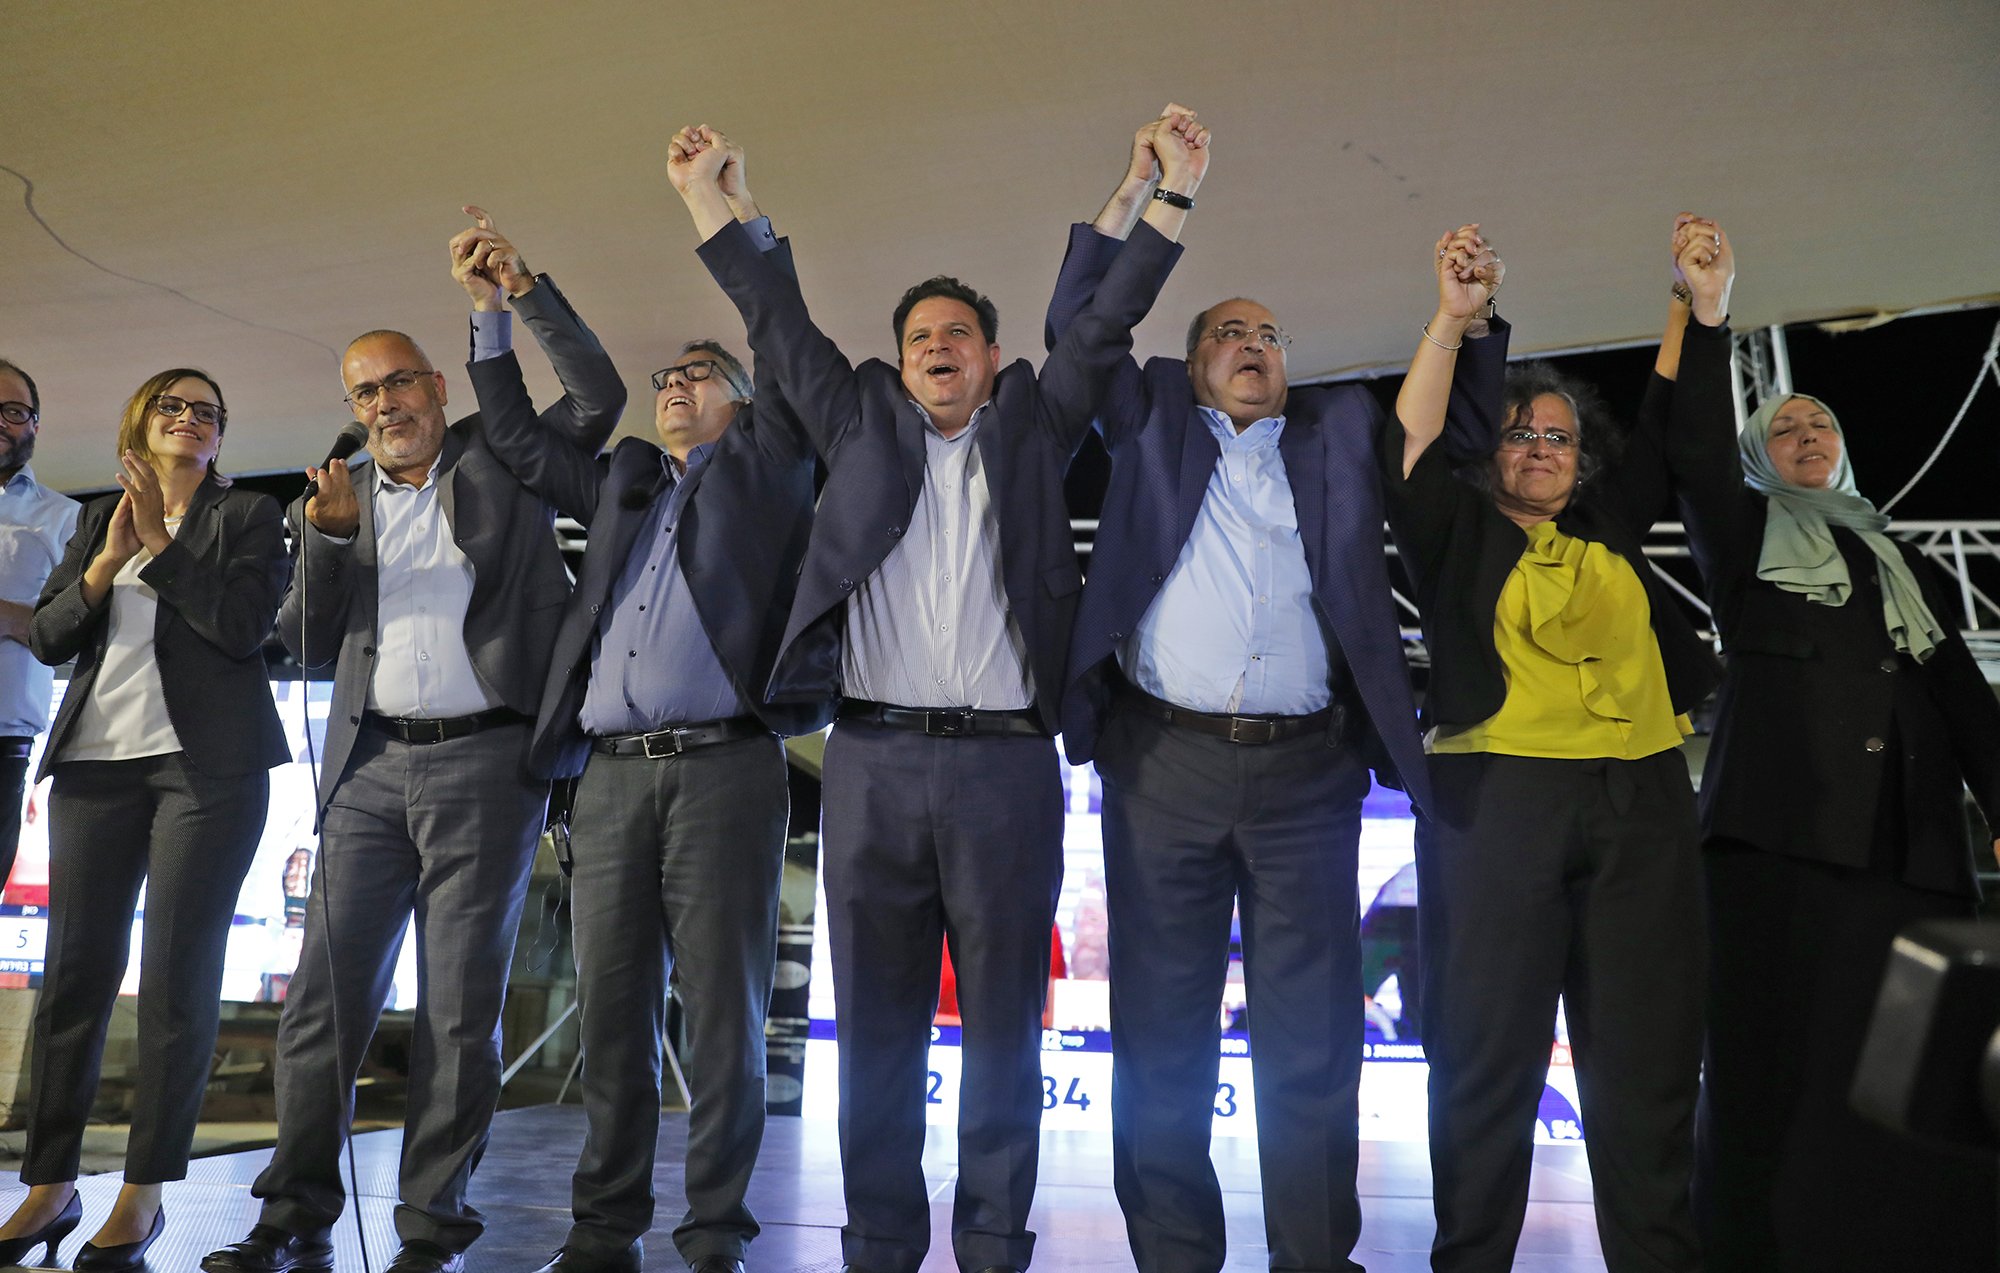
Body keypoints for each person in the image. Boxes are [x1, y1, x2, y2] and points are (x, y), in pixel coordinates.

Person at [684, 108, 1192, 1273]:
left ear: (993, 361)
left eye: (958, 332)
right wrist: (719, 203)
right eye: (918, 333)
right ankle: (876, 1244)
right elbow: (776, 318)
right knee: (873, 1029)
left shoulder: (1032, 427)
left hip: (1007, 765)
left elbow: (1105, 320)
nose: (935, 345)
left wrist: (1159, 198)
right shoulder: (857, 419)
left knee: (1007, 1024)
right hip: (869, 762)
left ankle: (994, 1242)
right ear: (899, 354)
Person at [1046, 113, 1505, 1273]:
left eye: (1271, 335)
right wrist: (1151, 196)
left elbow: (1439, 428)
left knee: (1312, 1041)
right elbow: (1076, 331)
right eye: (1230, 332)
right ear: (1195, 358)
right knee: (1162, 1033)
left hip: (1307, 773)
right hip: (1165, 764)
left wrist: (1455, 322)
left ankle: (1314, 1257)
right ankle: (1174, 1258)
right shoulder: (1148, 418)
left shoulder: (1335, 432)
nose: (1255, 345)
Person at [201, 211, 623, 1273]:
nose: (383, 405)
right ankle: (291, 1212)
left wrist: (509, 300)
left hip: (488, 761)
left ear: (440, 387)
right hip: (368, 771)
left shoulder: (504, 456)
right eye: (364, 392)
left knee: (459, 1014)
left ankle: (431, 1225)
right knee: (319, 1014)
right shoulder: (333, 498)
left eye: (399, 383)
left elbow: (596, 398)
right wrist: (334, 545)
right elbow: (297, 637)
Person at [479, 134, 824, 1273]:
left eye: (698, 375)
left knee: (720, 1017)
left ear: (741, 401)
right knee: (615, 1013)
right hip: (611, 774)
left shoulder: (772, 464)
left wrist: (731, 214)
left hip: (725, 766)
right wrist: (505, 309)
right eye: (667, 376)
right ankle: (602, 1227)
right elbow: (525, 442)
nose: (675, 386)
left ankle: (715, 1229)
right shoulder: (627, 477)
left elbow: (779, 339)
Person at [1658, 215, 2000, 1272]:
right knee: (1768, 1074)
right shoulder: (1747, 538)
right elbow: (1693, 452)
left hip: (1909, 856)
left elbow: (1956, 692)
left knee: (1907, 1076)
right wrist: (1705, 312)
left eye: (1819, 426)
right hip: (1783, 850)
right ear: (1763, 458)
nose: (1804, 436)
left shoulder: (1887, 553)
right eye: (1784, 430)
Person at [1383, 239, 1721, 1271]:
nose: (1539, 448)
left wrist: (1694, 308)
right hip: (1498, 800)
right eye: (1521, 433)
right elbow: (1416, 431)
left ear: (1583, 462)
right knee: (1487, 1059)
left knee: (1646, 1065)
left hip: (1644, 804)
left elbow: (1671, 424)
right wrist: (1453, 319)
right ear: (1491, 453)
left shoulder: (1609, 532)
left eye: (1560, 439)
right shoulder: (1451, 530)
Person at [1, 369, 289, 1270]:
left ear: (217, 436)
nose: (192, 417)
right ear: (142, 422)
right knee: (74, 978)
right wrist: (105, 559)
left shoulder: (247, 518)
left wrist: (161, 542)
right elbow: (48, 636)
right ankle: (49, 1186)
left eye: (209, 409)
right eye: (174, 405)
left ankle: (144, 1192)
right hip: (93, 766)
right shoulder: (96, 515)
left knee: (174, 980)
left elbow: (245, 629)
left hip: (207, 771)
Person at [0, 359, 79, 894]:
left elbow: (84, 633)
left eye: (12, 411)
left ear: (34, 424)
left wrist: (9, 616)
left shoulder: (67, 518)